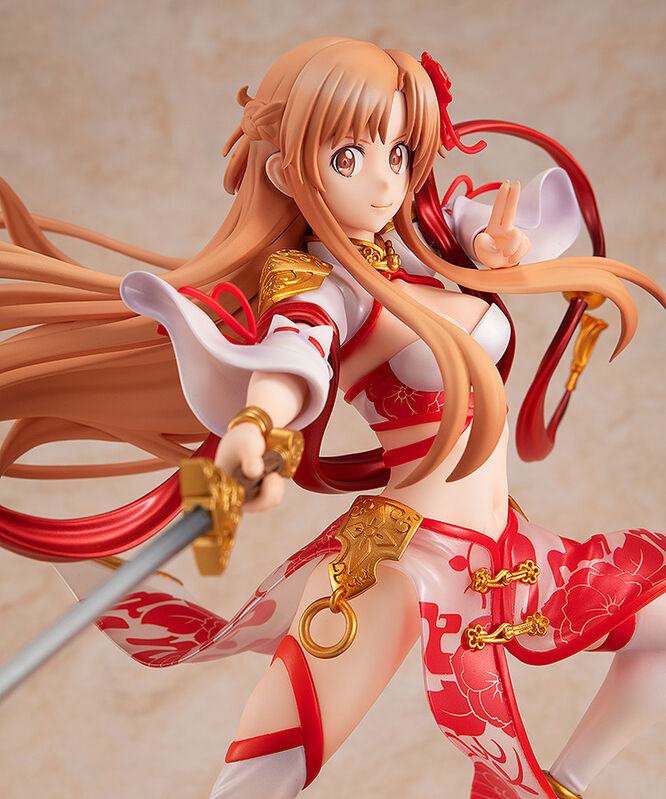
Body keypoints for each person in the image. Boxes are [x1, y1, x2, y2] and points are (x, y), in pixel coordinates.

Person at [1, 37, 664, 799]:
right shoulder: (321, 288)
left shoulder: (422, 254)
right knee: (265, 774)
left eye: (398, 151)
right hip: (395, 564)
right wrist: (255, 428)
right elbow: (294, 357)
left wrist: (488, 250)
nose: (384, 181)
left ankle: (564, 782)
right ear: (290, 173)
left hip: (505, 554)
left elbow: (491, 233)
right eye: (349, 157)